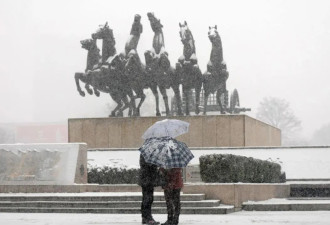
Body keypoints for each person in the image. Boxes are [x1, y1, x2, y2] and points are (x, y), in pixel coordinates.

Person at [138, 154, 160, 225]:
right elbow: (147, 166)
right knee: (147, 199)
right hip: (147, 180)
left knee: (148, 198)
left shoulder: (147, 154)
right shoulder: (146, 155)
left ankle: (145, 217)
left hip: (148, 180)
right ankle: (147, 217)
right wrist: (155, 164)